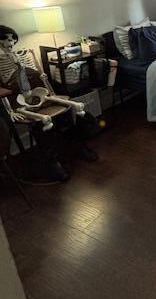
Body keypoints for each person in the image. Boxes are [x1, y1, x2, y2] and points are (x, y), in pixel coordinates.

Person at [0, 24, 98, 183]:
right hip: (18, 100)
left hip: (36, 92)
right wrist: (9, 110)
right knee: (41, 122)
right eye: (5, 40)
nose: (10, 44)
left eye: (12, 40)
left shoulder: (19, 55)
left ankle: (77, 146)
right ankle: (52, 162)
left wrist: (43, 82)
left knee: (66, 111)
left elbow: (33, 74)